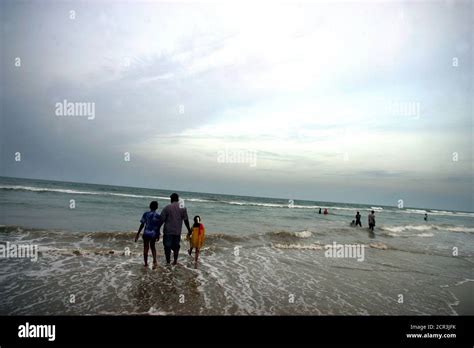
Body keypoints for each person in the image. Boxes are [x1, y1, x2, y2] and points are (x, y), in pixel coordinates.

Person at [157, 193, 192, 265]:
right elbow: (186, 220)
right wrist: (189, 230)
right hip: (177, 232)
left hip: (168, 231)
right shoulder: (183, 208)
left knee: (167, 247)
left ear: (171, 199)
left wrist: (157, 229)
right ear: (178, 199)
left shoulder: (167, 207)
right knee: (176, 246)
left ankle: (168, 262)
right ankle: (175, 261)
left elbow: (161, 220)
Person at [135, 201, 160, 269]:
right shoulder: (158, 216)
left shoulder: (146, 214)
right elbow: (158, 227)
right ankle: (154, 260)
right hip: (153, 234)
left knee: (146, 248)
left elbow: (142, 224)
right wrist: (158, 234)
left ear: (150, 206)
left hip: (146, 233)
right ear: (157, 207)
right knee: (153, 247)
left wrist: (138, 234)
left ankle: (145, 263)